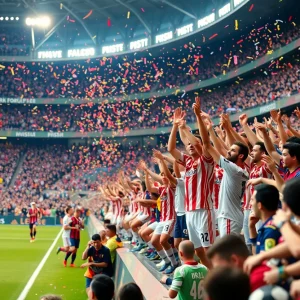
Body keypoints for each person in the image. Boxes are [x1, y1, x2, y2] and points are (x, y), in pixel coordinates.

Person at [168, 105, 215, 268]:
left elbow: (201, 142)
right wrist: (175, 126)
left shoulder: (206, 160)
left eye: (194, 144)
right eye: (188, 145)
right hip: (189, 212)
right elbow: (171, 149)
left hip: (204, 210)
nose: (190, 145)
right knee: (198, 250)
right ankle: (209, 274)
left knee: (208, 248)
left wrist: (186, 128)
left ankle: (218, 278)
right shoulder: (187, 162)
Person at [196, 98, 249, 236]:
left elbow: (207, 146)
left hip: (229, 218)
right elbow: (220, 149)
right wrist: (211, 128)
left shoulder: (234, 170)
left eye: (232, 150)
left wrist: (200, 119)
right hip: (229, 215)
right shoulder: (239, 170)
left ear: (241, 156)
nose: (228, 151)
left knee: (228, 254)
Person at [206, 235, 271, 292]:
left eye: (219, 269)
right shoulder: (245, 281)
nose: (217, 274)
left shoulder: (256, 281)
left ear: (234, 260)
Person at [249, 184, 281, 254]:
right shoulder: (269, 225)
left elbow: (263, 260)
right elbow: (257, 255)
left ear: (259, 205)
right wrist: (252, 227)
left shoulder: (270, 230)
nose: (250, 203)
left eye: (252, 200)